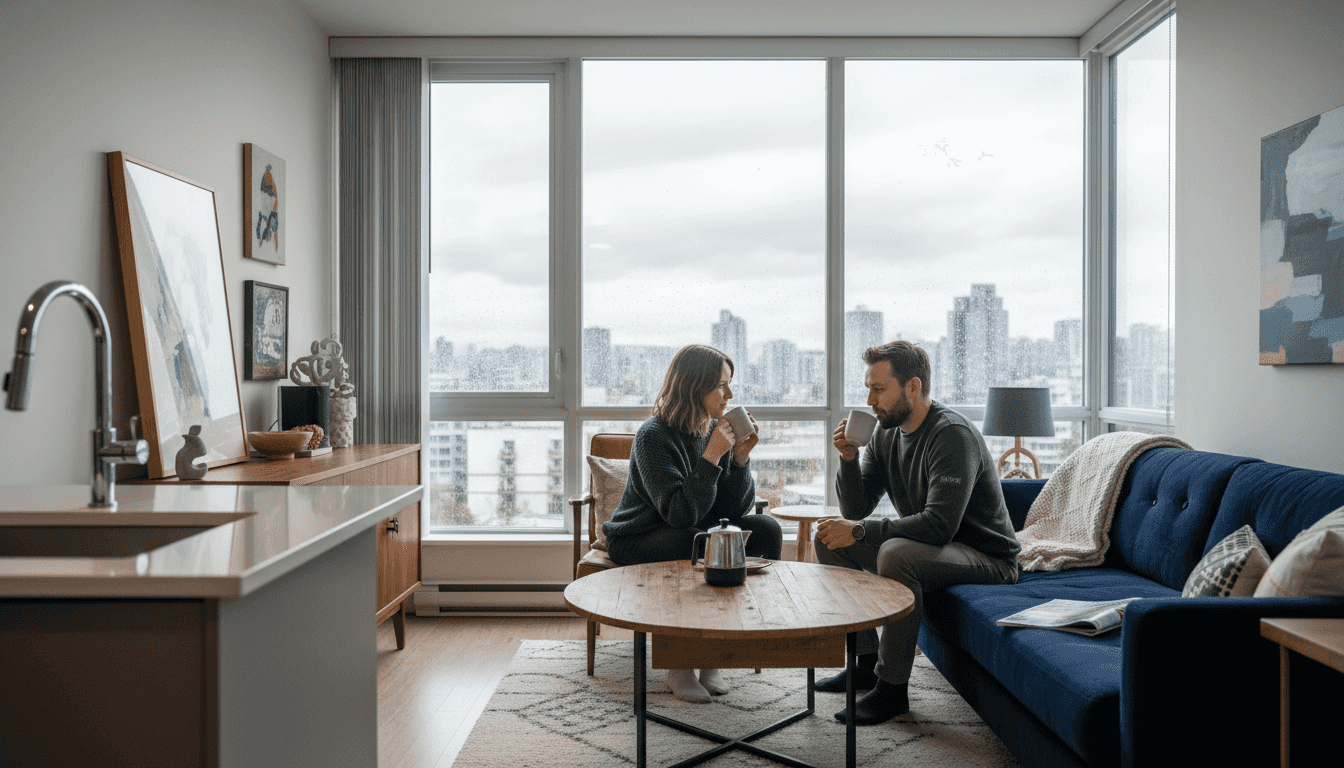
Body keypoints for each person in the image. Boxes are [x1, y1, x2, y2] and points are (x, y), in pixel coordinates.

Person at [814, 340, 1020, 725]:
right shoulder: (886, 433)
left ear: (911, 387)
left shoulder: (951, 435)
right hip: (935, 552)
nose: (870, 399)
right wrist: (848, 458)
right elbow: (855, 510)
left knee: (895, 553)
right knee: (828, 537)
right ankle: (865, 661)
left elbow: (940, 525)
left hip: (985, 558)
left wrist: (859, 531)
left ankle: (892, 690)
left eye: (879, 388)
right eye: (868, 388)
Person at [603, 344, 783, 703]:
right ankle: (679, 666)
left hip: (692, 530)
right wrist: (713, 455)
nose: (729, 395)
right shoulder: (653, 436)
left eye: (729, 384)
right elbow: (679, 514)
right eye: (720, 385)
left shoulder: (714, 429)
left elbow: (731, 510)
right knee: (694, 540)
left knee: (766, 529)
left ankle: (715, 652)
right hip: (638, 537)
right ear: (692, 387)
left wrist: (741, 459)